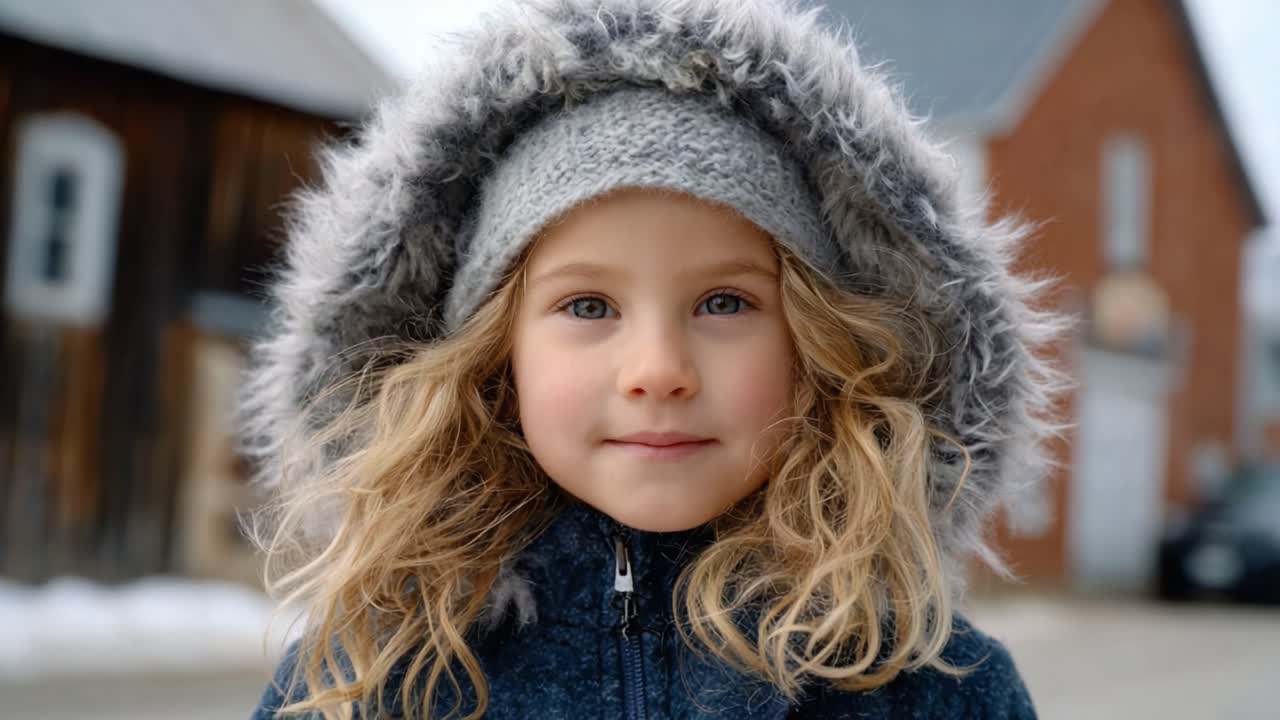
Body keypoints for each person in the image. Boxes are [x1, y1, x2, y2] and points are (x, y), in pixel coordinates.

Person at [241, 0, 1067, 717]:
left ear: (818, 348)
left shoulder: (938, 688)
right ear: (496, 359)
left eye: (724, 303)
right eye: (588, 306)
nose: (658, 368)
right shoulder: (369, 682)